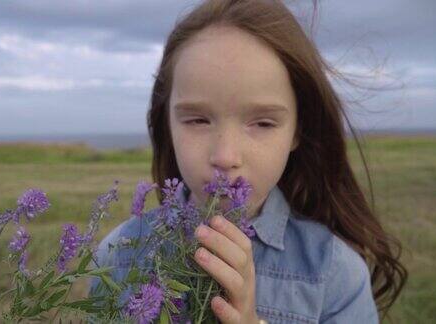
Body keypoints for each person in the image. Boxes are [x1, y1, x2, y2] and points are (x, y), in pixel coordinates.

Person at [89, 0, 407, 323]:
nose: (225, 157)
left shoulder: (336, 275)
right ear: (166, 123)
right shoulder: (120, 253)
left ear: (298, 130)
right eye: (198, 120)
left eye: (263, 123)